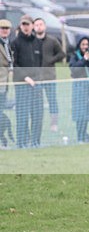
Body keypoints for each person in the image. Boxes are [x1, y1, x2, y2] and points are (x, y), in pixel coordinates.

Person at [11, 15, 44, 147]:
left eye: (27, 24)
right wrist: (25, 77)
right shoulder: (15, 43)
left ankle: (35, 142)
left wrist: (37, 79)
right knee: (22, 115)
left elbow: (40, 63)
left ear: (32, 26)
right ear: (20, 26)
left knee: (37, 115)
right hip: (22, 85)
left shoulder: (38, 43)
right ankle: (21, 143)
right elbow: (14, 64)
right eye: (23, 25)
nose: (25, 27)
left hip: (36, 84)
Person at [33, 17, 65, 133]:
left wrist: (51, 60)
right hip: (35, 78)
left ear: (45, 26)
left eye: (41, 24)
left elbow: (61, 54)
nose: (39, 27)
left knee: (52, 100)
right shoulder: (31, 41)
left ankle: (54, 124)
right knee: (37, 103)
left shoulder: (52, 41)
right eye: (36, 25)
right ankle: (38, 124)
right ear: (33, 27)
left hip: (49, 77)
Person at [68, 37, 89, 143]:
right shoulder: (74, 57)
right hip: (80, 88)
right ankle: (80, 136)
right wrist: (84, 59)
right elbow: (74, 70)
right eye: (83, 44)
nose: (85, 47)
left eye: (87, 44)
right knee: (80, 114)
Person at [0, 19, 14, 147]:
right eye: (2, 28)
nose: (4, 30)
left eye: (6, 28)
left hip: (4, 85)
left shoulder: (7, 44)